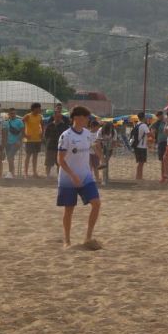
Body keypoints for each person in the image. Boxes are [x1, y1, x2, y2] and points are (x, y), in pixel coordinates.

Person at [56, 105, 102, 249]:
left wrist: (101, 156)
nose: (88, 120)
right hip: (68, 178)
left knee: (96, 203)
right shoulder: (66, 136)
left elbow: (93, 145)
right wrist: (72, 175)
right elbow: (60, 160)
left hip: (86, 176)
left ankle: (88, 237)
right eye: (86, 117)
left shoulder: (87, 133)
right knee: (69, 210)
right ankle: (67, 240)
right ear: (77, 118)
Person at [43, 108, 70, 178]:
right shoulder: (49, 125)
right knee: (48, 163)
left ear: (61, 117)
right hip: (50, 147)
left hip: (61, 147)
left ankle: (59, 176)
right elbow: (45, 136)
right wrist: (47, 143)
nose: (58, 117)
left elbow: (68, 137)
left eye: (59, 116)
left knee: (60, 163)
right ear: (53, 117)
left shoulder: (65, 126)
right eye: (56, 116)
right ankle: (47, 176)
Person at [23, 102, 44, 178]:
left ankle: (34, 172)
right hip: (29, 140)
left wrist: (42, 133)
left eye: (40, 108)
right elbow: (21, 124)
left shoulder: (40, 116)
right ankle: (25, 173)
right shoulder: (28, 116)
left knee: (35, 157)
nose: (39, 109)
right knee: (28, 156)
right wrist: (24, 135)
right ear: (34, 108)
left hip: (37, 139)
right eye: (38, 108)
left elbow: (42, 125)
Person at [4, 107, 24, 178]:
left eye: (14, 113)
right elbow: (5, 133)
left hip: (16, 143)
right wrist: (4, 143)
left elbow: (22, 132)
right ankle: (12, 173)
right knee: (10, 158)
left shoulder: (19, 121)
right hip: (8, 143)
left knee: (10, 157)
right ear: (9, 114)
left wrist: (19, 141)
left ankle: (10, 173)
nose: (13, 115)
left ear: (15, 114)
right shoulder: (6, 122)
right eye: (11, 113)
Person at [150, 110, 168, 182]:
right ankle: (163, 176)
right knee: (162, 160)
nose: (159, 117)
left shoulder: (167, 121)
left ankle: (167, 176)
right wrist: (153, 136)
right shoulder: (157, 123)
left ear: (162, 115)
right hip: (161, 142)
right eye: (158, 116)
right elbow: (151, 129)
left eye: (160, 115)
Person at [133, 112, 150, 180]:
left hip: (137, 145)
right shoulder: (144, 125)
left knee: (140, 162)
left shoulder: (137, 124)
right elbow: (149, 134)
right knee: (141, 163)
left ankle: (139, 176)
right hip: (142, 146)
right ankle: (138, 177)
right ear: (143, 117)